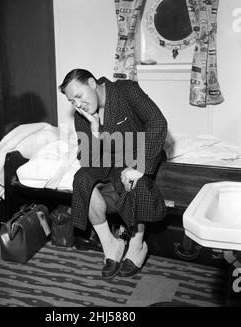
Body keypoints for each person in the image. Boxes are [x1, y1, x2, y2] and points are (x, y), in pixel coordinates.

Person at [59, 69, 167, 279]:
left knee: (133, 181)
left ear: (92, 83)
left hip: (139, 153)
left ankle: (137, 244)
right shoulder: (82, 115)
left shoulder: (126, 90)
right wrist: (95, 129)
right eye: (72, 101)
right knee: (81, 178)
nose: (78, 104)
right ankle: (111, 244)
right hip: (108, 160)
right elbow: (89, 160)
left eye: (79, 96)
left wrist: (140, 167)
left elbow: (157, 122)